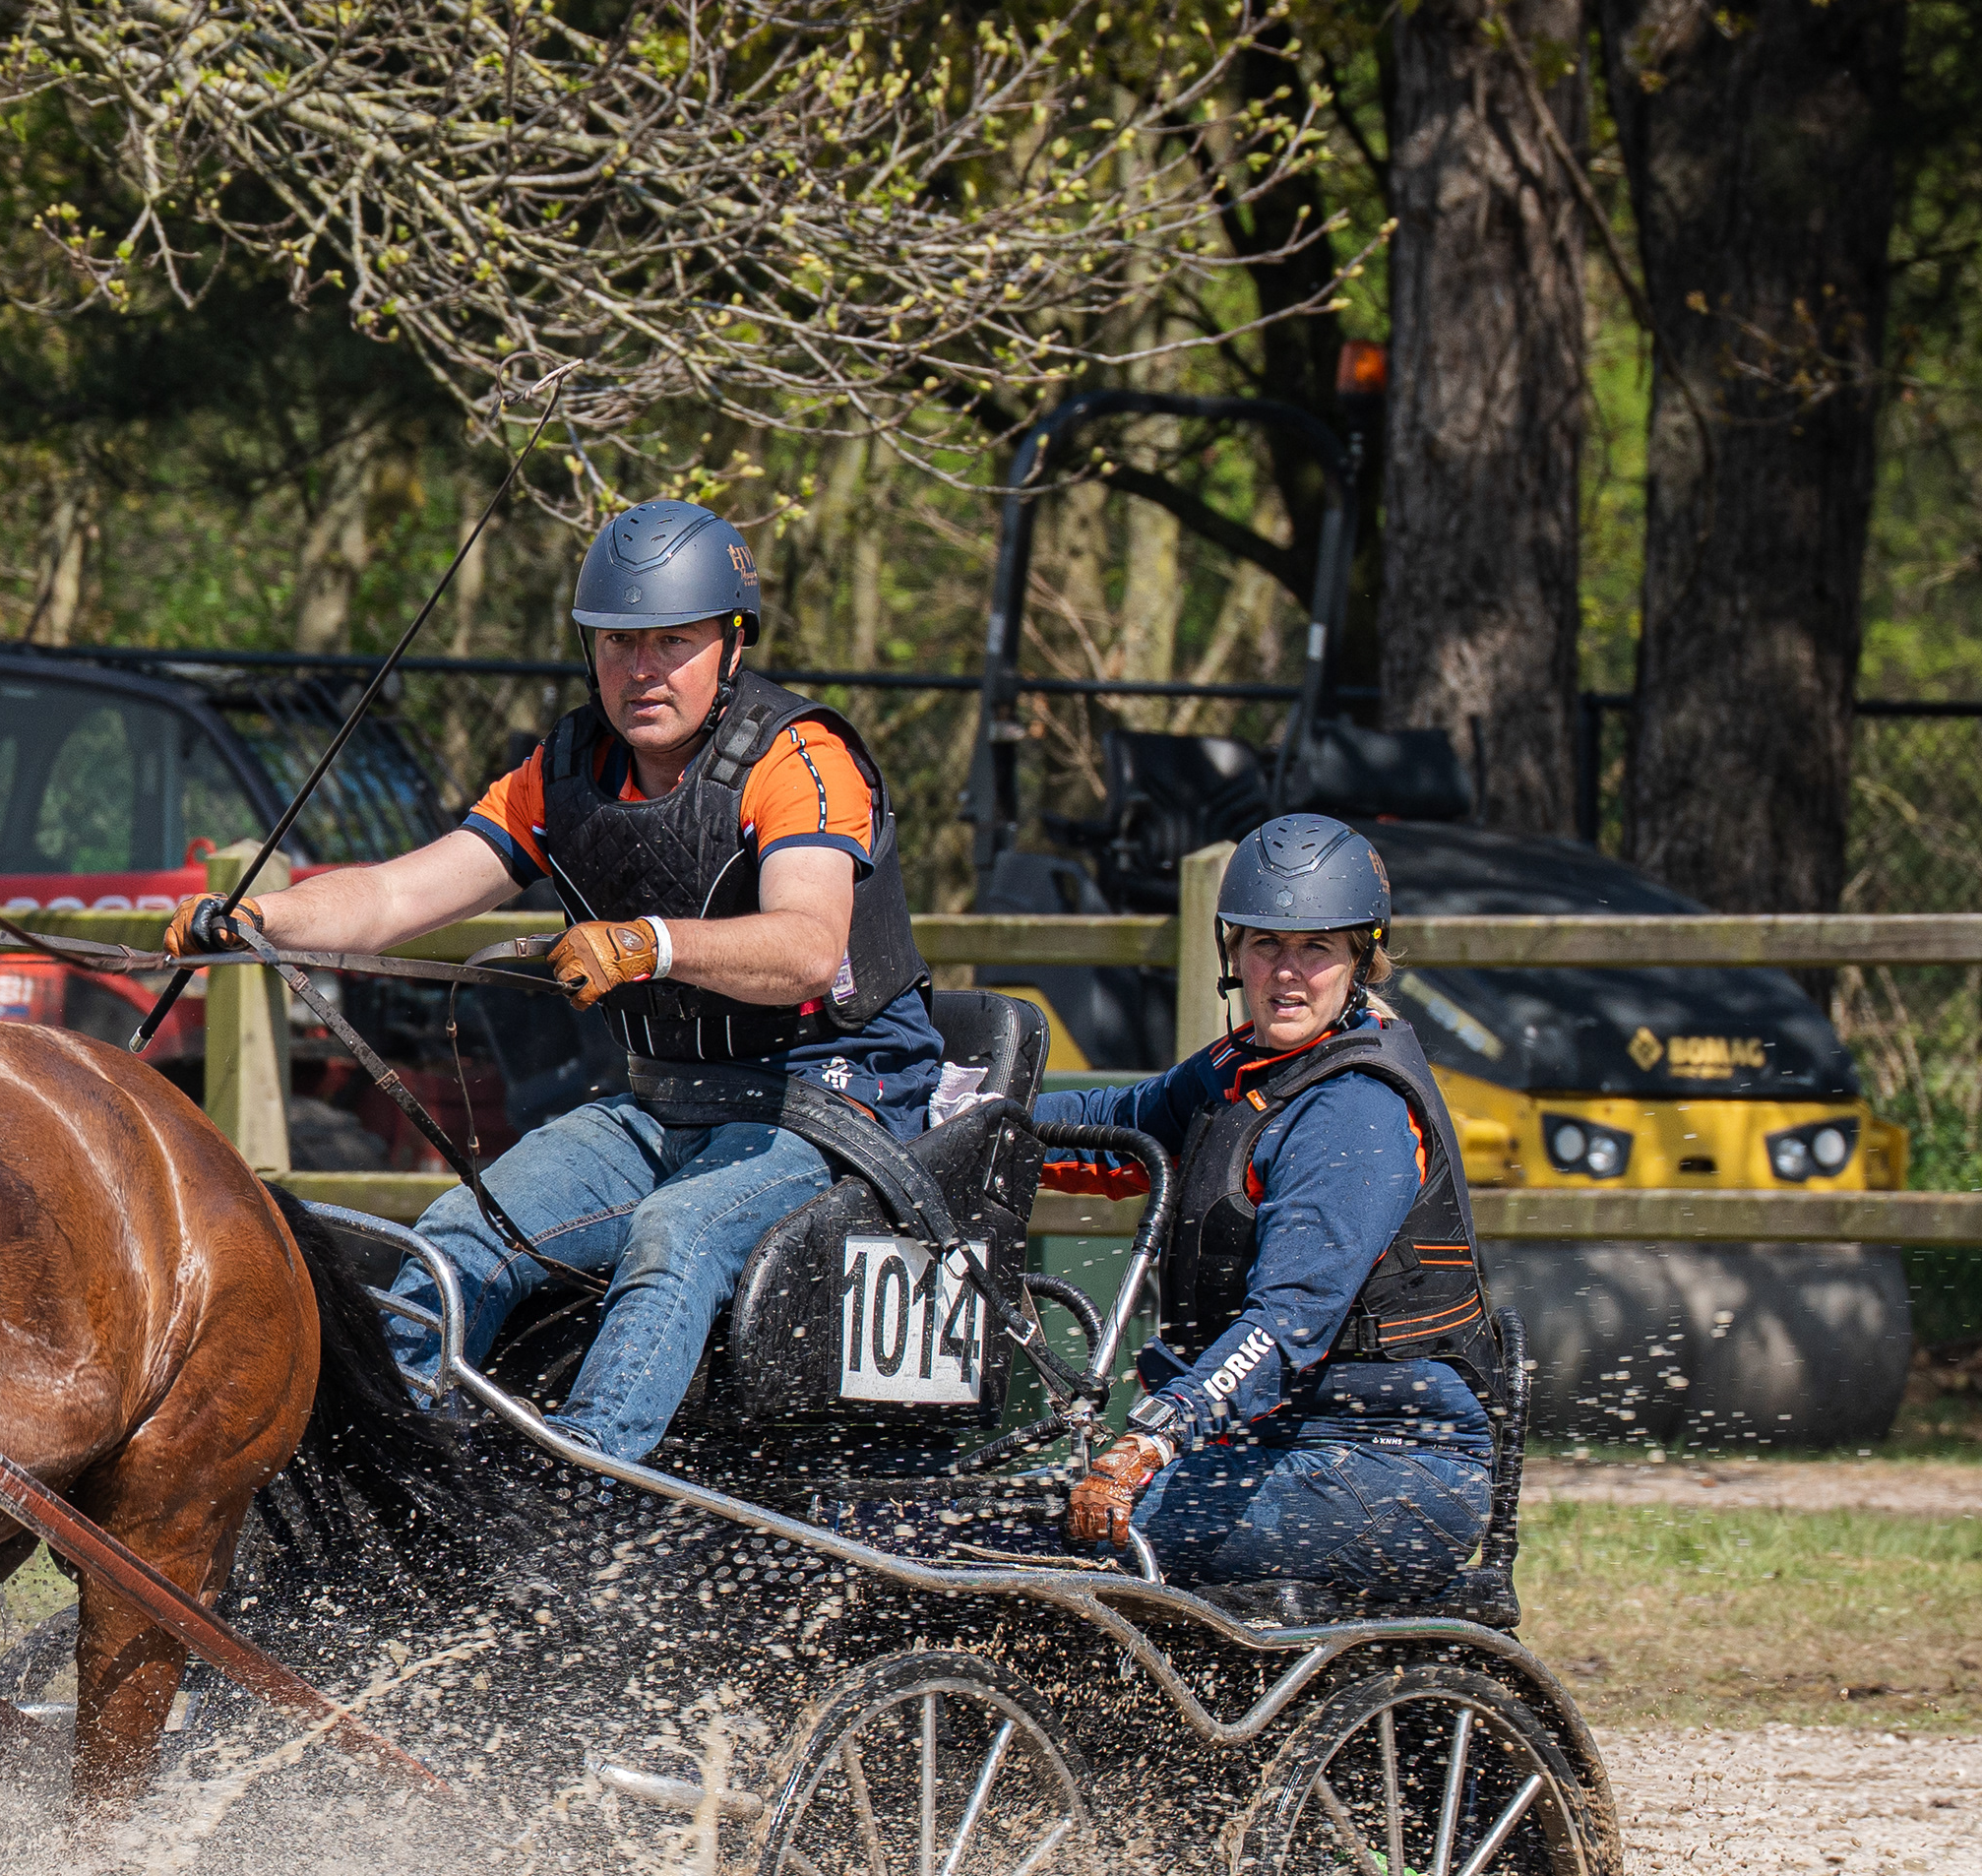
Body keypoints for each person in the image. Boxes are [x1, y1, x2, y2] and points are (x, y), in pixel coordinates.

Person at [167, 497, 940, 1463]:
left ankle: (580, 1489)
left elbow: (806, 948)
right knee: (459, 1233)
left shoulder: (799, 758)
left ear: (733, 643)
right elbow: (400, 894)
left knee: (675, 1235)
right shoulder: (564, 772)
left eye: (673, 641)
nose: (642, 669)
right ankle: (392, 1471)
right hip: (665, 1105)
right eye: (618, 643)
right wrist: (261, 918)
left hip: (830, 1107)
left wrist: (650, 945)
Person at [1041, 814, 1507, 1601]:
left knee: (1060, 1535)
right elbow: (1116, 1132)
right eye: (1266, 945)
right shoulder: (1244, 1068)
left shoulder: (1356, 1110)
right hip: (1279, 1446)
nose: (1287, 974)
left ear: (1360, 958)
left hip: (1392, 1468)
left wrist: (1159, 1433)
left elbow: (1286, 1326)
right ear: (1234, 954)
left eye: (1315, 949)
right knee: (1012, 1515)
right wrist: (968, 1117)